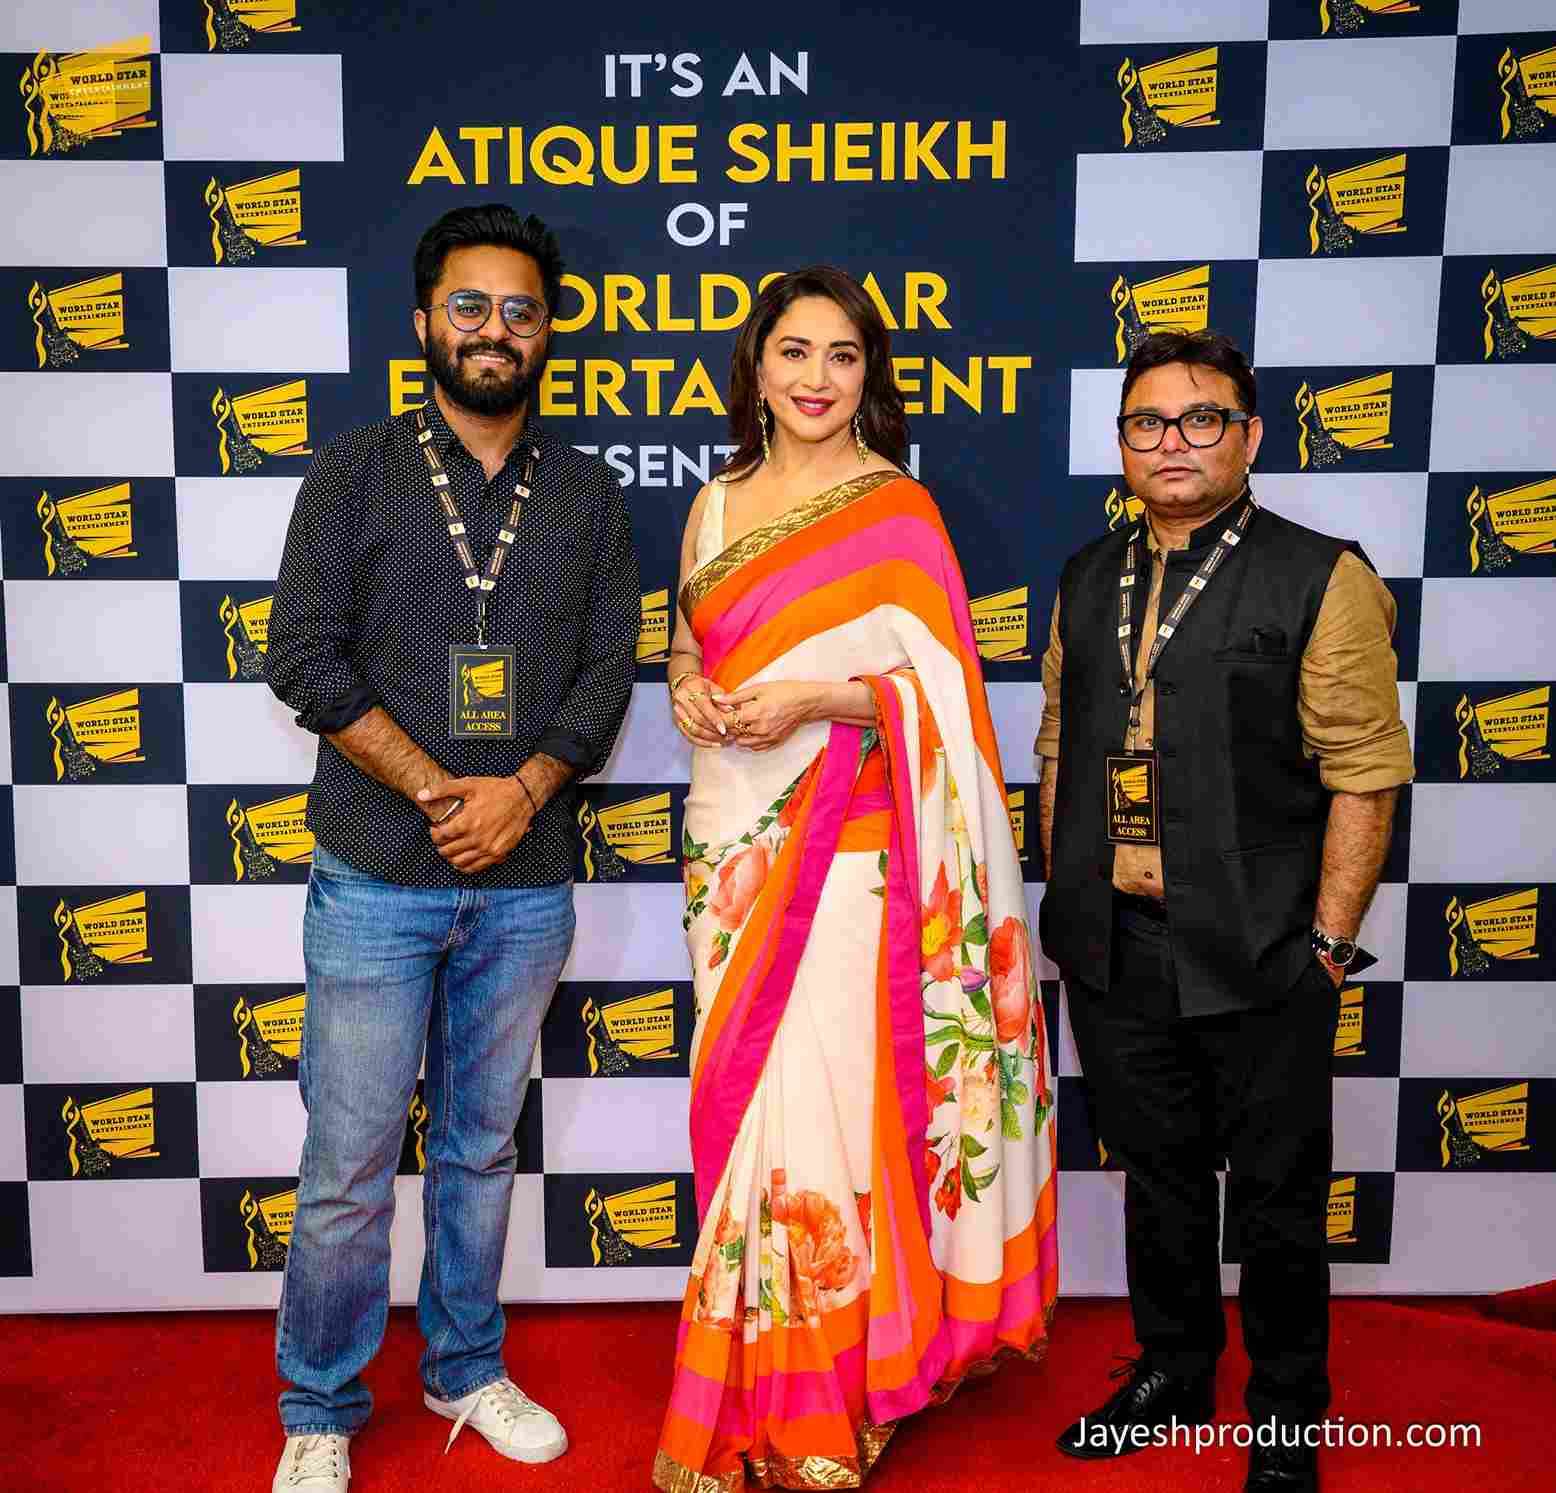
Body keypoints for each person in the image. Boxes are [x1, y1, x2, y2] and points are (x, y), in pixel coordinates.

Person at [653, 267, 1058, 1490]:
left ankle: (833, 1385)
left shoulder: (898, 511)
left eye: (841, 354)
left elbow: (944, 702)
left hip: (851, 850)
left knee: (829, 1104)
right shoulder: (715, 504)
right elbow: (684, 641)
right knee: (750, 1109)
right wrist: (686, 686)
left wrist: (820, 698)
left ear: (868, 374)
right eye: (793, 351)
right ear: (756, 367)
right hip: (732, 838)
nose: (816, 377)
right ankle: (762, 1368)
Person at [263, 204, 639, 1492]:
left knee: (479, 1147)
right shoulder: (352, 472)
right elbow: (302, 658)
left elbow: (607, 672)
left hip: (524, 882)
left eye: (520, 310)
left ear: (547, 332)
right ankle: (320, 1401)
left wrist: (522, 791)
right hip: (377, 868)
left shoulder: (585, 492)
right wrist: (440, 791)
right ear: (425, 320)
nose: (494, 329)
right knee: (350, 1160)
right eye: (469, 305)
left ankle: (465, 1366)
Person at [1037, 330, 1413, 1492]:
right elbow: (1056, 744)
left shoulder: (1318, 574)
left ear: (1247, 436)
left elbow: (1364, 770)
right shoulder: (1085, 574)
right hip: (1115, 943)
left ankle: (1287, 1410)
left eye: (1200, 418)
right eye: (1145, 421)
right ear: (1120, 443)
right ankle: (1174, 1365)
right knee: (1154, 1177)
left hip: (1262, 948)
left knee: (1277, 1199)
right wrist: (1068, 894)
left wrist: (1325, 945)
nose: (1171, 441)